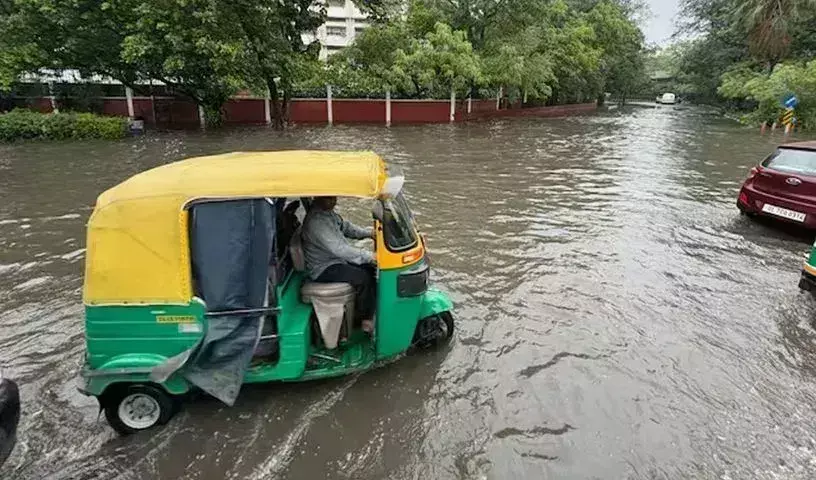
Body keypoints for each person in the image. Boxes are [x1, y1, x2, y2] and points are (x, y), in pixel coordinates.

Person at [301, 196, 377, 332]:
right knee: (362, 278)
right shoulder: (316, 222)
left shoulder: (327, 214)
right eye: (328, 198)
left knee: (370, 269)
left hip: (334, 260)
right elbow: (339, 249)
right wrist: (370, 256)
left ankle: (370, 310)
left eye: (334, 197)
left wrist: (370, 233)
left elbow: (346, 227)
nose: (333, 201)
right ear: (318, 198)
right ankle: (363, 321)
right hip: (322, 268)